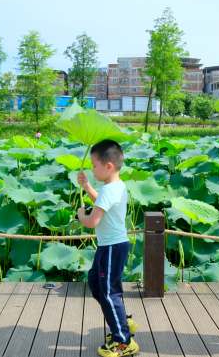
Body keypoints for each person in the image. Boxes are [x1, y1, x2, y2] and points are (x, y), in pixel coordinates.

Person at [77, 139, 139, 357]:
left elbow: (93, 221)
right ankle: (122, 322)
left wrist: (81, 216)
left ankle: (123, 341)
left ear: (108, 166)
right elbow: (102, 203)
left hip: (111, 247)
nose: (92, 169)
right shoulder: (115, 187)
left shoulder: (108, 190)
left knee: (108, 292)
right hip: (111, 246)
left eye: (94, 165)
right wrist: (87, 187)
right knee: (97, 283)